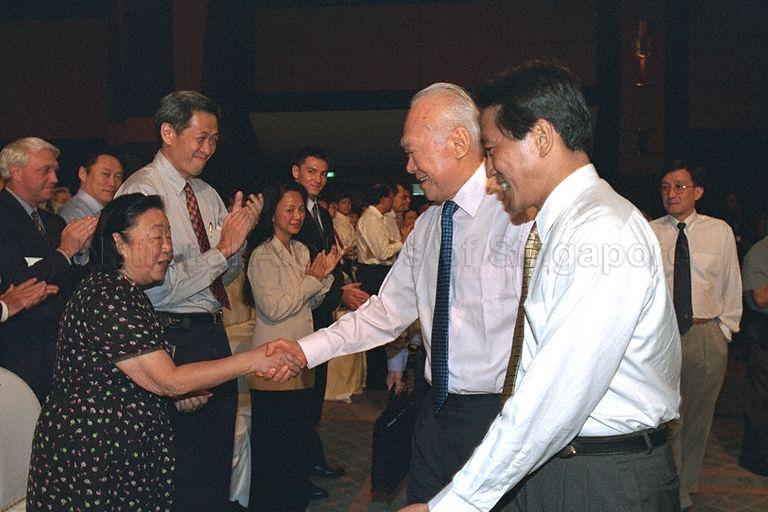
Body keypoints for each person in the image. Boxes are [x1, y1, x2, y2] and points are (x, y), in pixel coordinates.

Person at [401, 61, 682, 511]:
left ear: (541, 137)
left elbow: (554, 396)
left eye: (492, 150)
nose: (489, 170)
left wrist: (454, 503)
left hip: (600, 479)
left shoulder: (600, 232)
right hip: (562, 463)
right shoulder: (565, 227)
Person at [269, 82, 531, 504]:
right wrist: (305, 350)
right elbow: (385, 313)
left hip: (500, 417)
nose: (408, 167)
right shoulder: (428, 226)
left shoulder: (516, 215)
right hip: (434, 411)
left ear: (459, 142)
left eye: (413, 151)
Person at [26, 193, 299, 512]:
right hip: (93, 454)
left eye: (169, 236)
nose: (168, 248)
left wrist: (179, 395)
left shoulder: (129, 293)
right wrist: (256, 358)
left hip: (122, 449)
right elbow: (166, 379)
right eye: (157, 237)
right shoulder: (107, 295)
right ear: (119, 243)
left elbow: (140, 375)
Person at [116, 91, 262, 511]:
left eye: (214, 140)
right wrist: (222, 250)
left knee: (216, 461)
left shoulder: (207, 193)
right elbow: (153, 286)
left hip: (210, 333)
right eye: (201, 137)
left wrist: (236, 246)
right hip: (168, 338)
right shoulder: (142, 191)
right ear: (168, 132)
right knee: (182, 469)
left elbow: (223, 279)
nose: (208, 148)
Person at [243, 182, 340, 511]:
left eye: (300, 210)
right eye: (289, 209)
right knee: (274, 447)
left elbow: (309, 302)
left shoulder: (300, 250)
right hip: (272, 361)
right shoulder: (262, 255)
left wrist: (325, 276)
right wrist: (312, 280)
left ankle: (294, 501)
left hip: (300, 355)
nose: (297, 216)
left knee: (296, 441)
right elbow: (275, 308)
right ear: (272, 214)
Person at [650, 161, 742, 509]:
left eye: (679, 187)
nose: (671, 194)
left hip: (706, 334)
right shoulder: (650, 231)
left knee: (699, 418)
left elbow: (732, 282)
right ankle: (670, 488)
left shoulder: (719, 231)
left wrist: (724, 331)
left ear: (697, 192)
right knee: (669, 417)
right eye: (665, 187)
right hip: (663, 336)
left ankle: (685, 488)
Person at [291, 146, 369, 493]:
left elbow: (326, 263)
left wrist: (338, 288)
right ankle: (299, 470)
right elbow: (304, 267)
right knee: (299, 397)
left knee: (314, 393)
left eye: (323, 174)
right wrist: (339, 291)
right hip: (298, 311)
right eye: (311, 172)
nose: (318, 179)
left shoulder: (321, 214)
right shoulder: (289, 212)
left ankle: (310, 458)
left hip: (319, 310)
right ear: (296, 172)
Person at [0, 137, 97, 400]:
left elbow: (69, 282)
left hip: (58, 351)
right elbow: (18, 285)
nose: (54, 178)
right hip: (19, 354)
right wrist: (65, 251)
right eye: (45, 170)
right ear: (16, 172)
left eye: (54, 170)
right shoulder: (3, 216)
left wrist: (80, 253)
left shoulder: (53, 222)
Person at [739, 234, 768, 476]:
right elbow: (760, 298)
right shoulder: (760, 251)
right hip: (763, 332)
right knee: (762, 396)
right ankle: (759, 457)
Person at [59, 149, 124, 222]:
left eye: (118, 177)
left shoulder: (104, 212)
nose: (113, 183)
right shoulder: (74, 215)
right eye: (105, 174)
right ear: (83, 173)